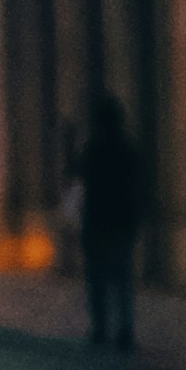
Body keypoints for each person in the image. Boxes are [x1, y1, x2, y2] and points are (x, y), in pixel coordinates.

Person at [71, 89, 143, 350]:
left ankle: (100, 327)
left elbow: (80, 180)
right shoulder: (128, 149)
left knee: (97, 276)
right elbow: (138, 183)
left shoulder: (92, 149)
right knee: (122, 276)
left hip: (97, 219)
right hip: (122, 218)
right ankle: (125, 328)